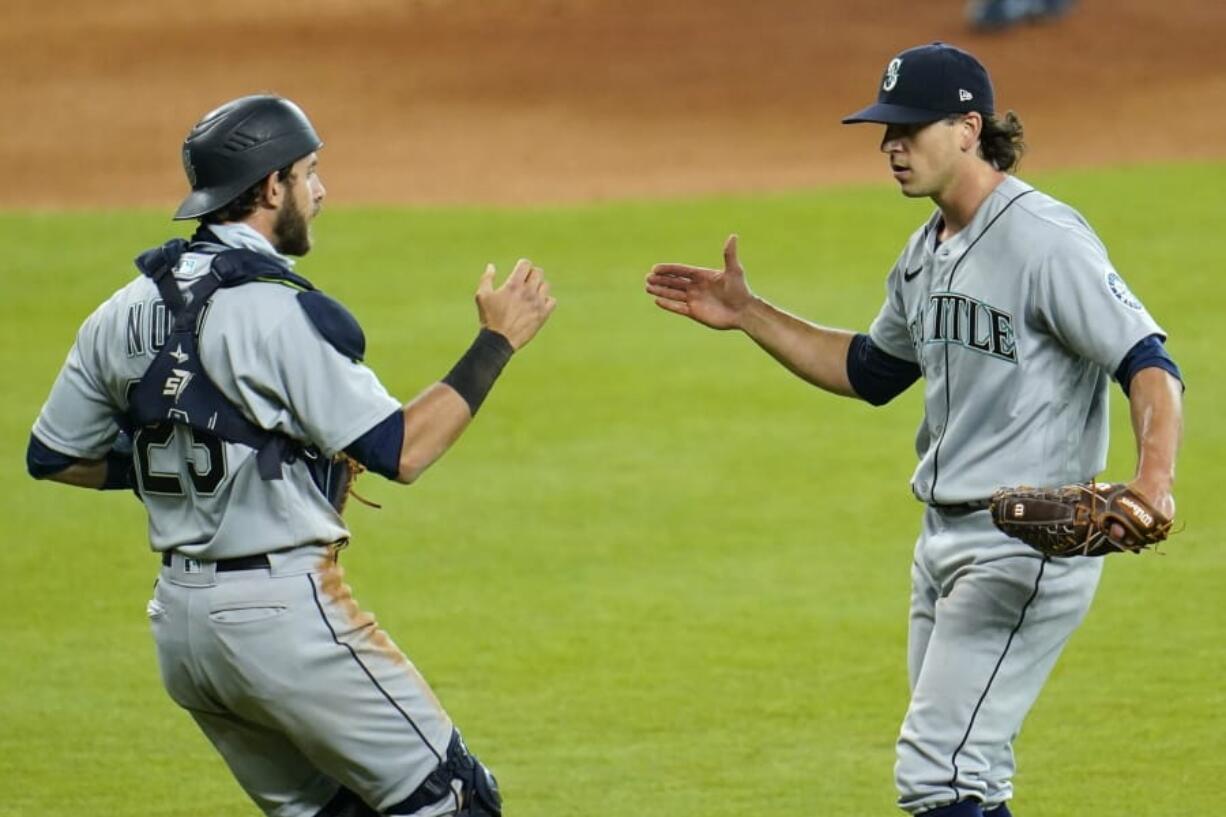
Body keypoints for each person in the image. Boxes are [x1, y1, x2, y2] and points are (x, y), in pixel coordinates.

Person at [644, 42, 1182, 816]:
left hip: (1023, 543)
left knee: (938, 774)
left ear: (969, 127)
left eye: (910, 128)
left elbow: (1147, 361)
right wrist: (749, 314)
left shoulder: (1045, 239)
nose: (891, 146)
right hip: (940, 543)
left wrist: (1153, 479)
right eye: (884, 130)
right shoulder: (923, 254)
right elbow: (870, 370)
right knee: (972, 771)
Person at [27, 94, 555, 817]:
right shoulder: (278, 311)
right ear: (271, 187)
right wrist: (498, 341)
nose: (321, 191)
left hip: (182, 633)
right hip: (281, 618)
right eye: (310, 173)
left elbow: (54, 454)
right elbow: (403, 449)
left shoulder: (120, 309)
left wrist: (183, 456)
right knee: (459, 801)